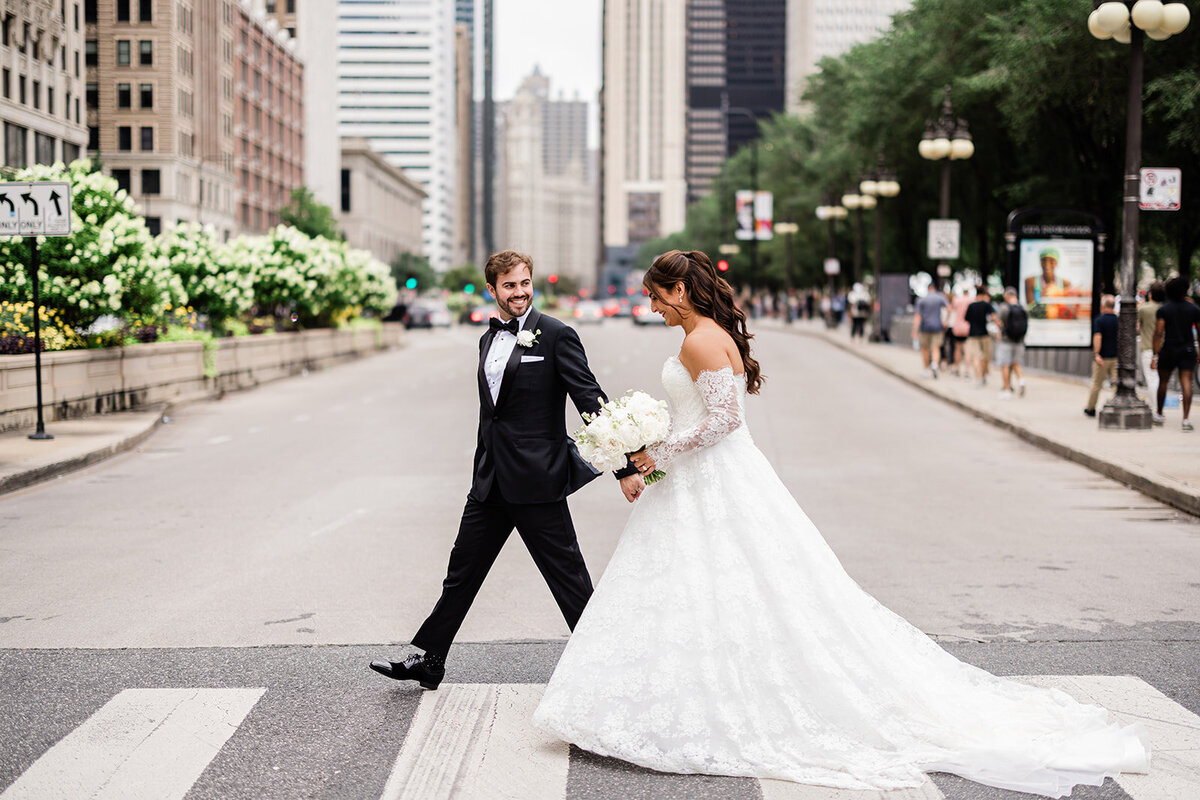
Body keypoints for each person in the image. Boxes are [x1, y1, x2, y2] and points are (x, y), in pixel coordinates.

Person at [533, 249, 1149, 797]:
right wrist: (657, 440)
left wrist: (655, 452)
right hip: (708, 476)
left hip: (710, 474)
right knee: (713, 588)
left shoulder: (699, 340)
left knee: (716, 586)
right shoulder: (711, 335)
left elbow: (724, 422)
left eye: (656, 295)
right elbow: (711, 416)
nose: (653, 306)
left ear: (682, 292)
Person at [369, 250, 643, 689]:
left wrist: (625, 466)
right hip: (491, 480)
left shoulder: (556, 335)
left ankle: (608, 667)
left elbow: (591, 400)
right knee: (461, 573)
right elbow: (492, 414)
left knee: (568, 578)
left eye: (525, 283)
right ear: (492, 290)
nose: (520, 292)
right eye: (510, 285)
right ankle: (430, 659)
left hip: (537, 481)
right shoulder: (487, 339)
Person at [1152, 276, 1200, 431]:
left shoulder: (1164, 309)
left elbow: (1159, 332)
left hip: (1169, 349)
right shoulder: (1194, 309)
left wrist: (1155, 354)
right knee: (1187, 382)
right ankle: (1185, 419)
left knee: (1163, 381)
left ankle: (1159, 414)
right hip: (1188, 349)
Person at [1085, 294, 1119, 418]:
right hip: (1116, 357)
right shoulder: (1118, 320)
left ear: (1103, 305)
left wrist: (1096, 354)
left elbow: (1097, 337)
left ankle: (1091, 408)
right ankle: (1117, 406)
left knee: (1096, 384)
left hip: (1102, 358)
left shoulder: (1099, 320)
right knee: (1115, 384)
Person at [1139, 281, 1165, 422]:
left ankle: (1156, 409)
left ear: (1150, 294)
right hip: (1164, 348)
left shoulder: (1144, 309)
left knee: (1152, 379)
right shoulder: (1165, 309)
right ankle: (1159, 407)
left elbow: (1138, 326)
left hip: (1148, 347)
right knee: (1162, 380)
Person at [995, 287, 1028, 399]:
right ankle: (1021, 381)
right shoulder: (1023, 307)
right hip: (1019, 341)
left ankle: (1007, 389)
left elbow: (999, 322)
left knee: (1005, 365)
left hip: (1006, 340)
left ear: (1006, 296)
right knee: (1016, 363)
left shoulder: (1004, 307)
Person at [911, 285, 948, 378]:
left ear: (927, 289)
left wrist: (915, 330)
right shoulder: (940, 298)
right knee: (936, 347)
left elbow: (917, 316)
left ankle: (926, 369)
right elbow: (949, 308)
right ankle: (935, 364)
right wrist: (945, 320)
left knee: (925, 349)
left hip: (924, 327)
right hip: (937, 326)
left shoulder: (921, 300)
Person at [963, 285, 996, 386]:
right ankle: (984, 374)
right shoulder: (986, 305)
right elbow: (994, 317)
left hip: (973, 335)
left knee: (976, 358)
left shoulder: (971, 306)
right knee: (986, 357)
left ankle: (978, 378)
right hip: (985, 334)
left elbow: (966, 319)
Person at [947, 288, 972, 377]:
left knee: (957, 349)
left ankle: (957, 369)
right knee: (967, 350)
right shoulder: (971, 300)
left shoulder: (956, 300)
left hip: (957, 326)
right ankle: (967, 371)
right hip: (967, 327)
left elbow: (950, 310)